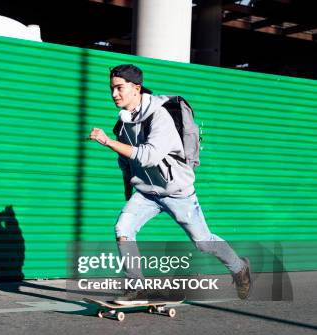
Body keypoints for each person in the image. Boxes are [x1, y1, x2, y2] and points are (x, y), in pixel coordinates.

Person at [88, 64, 251, 303]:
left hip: (177, 192)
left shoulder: (159, 115)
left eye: (119, 88)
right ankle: (137, 287)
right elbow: (125, 158)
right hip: (146, 192)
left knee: (203, 243)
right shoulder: (123, 121)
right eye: (112, 89)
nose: (114, 94)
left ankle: (239, 268)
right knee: (123, 229)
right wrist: (127, 184)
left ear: (136, 88)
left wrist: (107, 141)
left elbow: (149, 155)